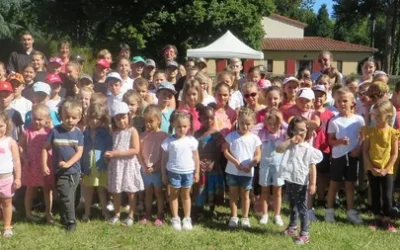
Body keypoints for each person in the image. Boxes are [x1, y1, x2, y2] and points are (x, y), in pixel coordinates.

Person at [277, 116, 322, 244]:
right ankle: (292, 227)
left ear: (307, 131)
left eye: (302, 130)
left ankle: (305, 233)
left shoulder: (308, 149)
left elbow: (312, 167)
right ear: (291, 131)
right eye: (296, 130)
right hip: (290, 179)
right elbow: (278, 149)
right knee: (292, 204)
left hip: (301, 181)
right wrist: (290, 141)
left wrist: (313, 184)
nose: (299, 134)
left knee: (302, 207)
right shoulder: (289, 144)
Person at [42, 98, 84, 231]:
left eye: (74, 117)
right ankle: (71, 222)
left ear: (79, 118)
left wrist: (69, 164)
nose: (70, 120)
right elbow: (45, 148)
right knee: (66, 196)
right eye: (67, 117)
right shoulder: (55, 131)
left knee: (73, 198)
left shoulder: (78, 133)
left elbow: (79, 152)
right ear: (61, 116)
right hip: (61, 172)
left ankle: (64, 214)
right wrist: (44, 164)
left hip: (75, 171)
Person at [326, 87, 364, 224]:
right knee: (334, 184)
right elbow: (330, 141)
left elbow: (362, 137)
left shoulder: (359, 120)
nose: (342, 104)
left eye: (345, 101)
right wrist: (340, 142)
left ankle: (350, 211)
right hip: (338, 156)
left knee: (350, 184)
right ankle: (329, 211)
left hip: (353, 156)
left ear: (352, 102)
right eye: (339, 101)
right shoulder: (334, 121)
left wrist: (358, 149)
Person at [362, 100, 398, 232]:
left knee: (387, 196)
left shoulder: (393, 133)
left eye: (378, 116)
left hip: (387, 170)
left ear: (388, 116)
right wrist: (371, 167)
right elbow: (365, 151)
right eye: (374, 115)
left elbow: (394, 154)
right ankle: (376, 217)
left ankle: (387, 219)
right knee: (375, 193)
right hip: (373, 168)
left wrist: (386, 169)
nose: (375, 118)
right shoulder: (370, 131)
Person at [106, 102, 144, 226]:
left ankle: (131, 215)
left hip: (128, 165)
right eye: (118, 119)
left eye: (124, 118)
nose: (121, 121)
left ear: (128, 116)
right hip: (117, 166)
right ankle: (117, 214)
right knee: (116, 190)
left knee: (131, 191)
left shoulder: (132, 131)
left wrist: (116, 153)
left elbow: (135, 150)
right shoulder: (114, 132)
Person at [161, 111, 200, 231]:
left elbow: (196, 157)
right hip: (173, 172)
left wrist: (197, 172)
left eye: (184, 126)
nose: (181, 129)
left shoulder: (191, 140)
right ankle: (175, 218)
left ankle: (187, 218)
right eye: (178, 126)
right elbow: (164, 159)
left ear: (189, 126)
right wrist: (163, 174)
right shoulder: (169, 141)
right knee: (173, 195)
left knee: (186, 195)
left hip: (188, 172)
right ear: (173, 125)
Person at [223, 107, 262, 228]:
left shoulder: (255, 138)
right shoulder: (231, 136)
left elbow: (258, 155)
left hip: (247, 172)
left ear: (253, 123)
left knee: (245, 195)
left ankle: (245, 217)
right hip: (232, 171)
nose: (244, 126)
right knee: (233, 194)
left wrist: (250, 164)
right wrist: (235, 162)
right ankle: (233, 217)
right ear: (237, 121)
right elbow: (225, 151)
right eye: (242, 123)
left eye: (248, 124)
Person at [20, 104, 54, 223]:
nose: (36, 122)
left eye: (40, 119)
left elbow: (56, 143)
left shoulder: (50, 131)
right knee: (30, 189)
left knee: (47, 189)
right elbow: (21, 147)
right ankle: (28, 213)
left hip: (46, 165)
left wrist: (51, 126)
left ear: (47, 119)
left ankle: (49, 213)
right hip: (32, 165)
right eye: (34, 119)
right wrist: (25, 159)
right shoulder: (27, 132)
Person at [81, 103, 112, 222]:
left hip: (100, 165)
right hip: (88, 165)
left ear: (102, 120)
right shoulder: (84, 133)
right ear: (88, 118)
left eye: (98, 119)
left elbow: (109, 146)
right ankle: (87, 213)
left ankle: (104, 212)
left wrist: (107, 158)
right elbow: (81, 150)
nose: (94, 121)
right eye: (92, 118)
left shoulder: (105, 133)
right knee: (88, 191)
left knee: (101, 190)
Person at [138, 105, 168, 225]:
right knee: (148, 192)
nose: (148, 124)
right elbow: (139, 153)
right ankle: (147, 213)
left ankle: (160, 214)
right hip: (146, 170)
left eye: (151, 121)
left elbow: (164, 156)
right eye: (146, 121)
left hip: (158, 170)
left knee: (159, 192)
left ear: (158, 120)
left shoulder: (164, 136)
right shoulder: (142, 136)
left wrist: (156, 167)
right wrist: (144, 166)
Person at [193, 106, 224, 220]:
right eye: (206, 118)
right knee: (200, 188)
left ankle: (212, 209)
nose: (209, 121)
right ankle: (199, 210)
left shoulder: (217, 134)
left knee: (213, 188)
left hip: (213, 167)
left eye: (211, 118)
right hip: (200, 166)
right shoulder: (196, 135)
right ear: (200, 119)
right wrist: (198, 163)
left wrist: (213, 162)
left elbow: (219, 151)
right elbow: (193, 151)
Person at [308, 85, 334, 220]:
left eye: (321, 95)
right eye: (315, 95)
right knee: (311, 176)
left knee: (323, 176)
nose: (318, 98)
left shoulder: (330, 114)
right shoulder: (309, 112)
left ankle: (321, 198)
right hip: (311, 147)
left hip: (325, 148)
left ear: (325, 97)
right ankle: (309, 204)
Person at [258, 109, 286, 226]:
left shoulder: (282, 134)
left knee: (277, 191)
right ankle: (265, 214)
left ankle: (277, 215)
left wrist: (282, 121)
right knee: (264, 191)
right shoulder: (263, 133)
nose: (273, 126)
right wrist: (264, 121)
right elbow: (254, 129)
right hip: (264, 166)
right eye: (270, 124)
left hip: (278, 167)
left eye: (276, 124)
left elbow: (291, 129)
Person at [0, 111, 22, 237]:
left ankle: (7, 226)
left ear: (7, 126)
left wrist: (18, 178)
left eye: (1, 126)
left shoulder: (11, 142)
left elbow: (17, 161)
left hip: (6, 178)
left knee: (7, 203)